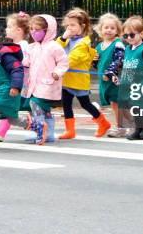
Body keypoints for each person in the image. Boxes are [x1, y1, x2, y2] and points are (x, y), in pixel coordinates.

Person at [57, 8, 111, 139]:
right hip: (67, 79)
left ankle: (103, 123)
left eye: (73, 25)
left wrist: (58, 65)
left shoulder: (84, 43)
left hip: (78, 80)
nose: (70, 28)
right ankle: (70, 130)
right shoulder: (68, 39)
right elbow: (55, 49)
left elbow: (72, 59)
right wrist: (63, 38)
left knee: (85, 104)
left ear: (82, 26)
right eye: (68, 25)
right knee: (66, 104)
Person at [112, 16, 143, 140]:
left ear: (142, 34)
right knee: (132, 106)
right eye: (126, 36)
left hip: (142, 83)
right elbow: (122, 64)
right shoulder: (128, 49)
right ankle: (140, 128)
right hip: (129, 84)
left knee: (138, 106)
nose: (129, 38)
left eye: (132, 35)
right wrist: (116, 75)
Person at [23, 14, 69, 143]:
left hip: (48, 83)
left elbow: (63, 62)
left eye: (37, 30)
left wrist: (57, 72)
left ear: (47, 30)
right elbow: (26, 58)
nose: (33, 32)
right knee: (44, 109)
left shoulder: (54, 47)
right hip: (34, 84)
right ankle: (48, 133)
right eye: (31, 29)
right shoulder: (32, 47)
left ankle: (39, 130)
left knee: (35, 104)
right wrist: (25, 61)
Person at [0, 11, 31, 142]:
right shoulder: (12, 46)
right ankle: (1, 131)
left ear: (19, 30)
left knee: (9, 106)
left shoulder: (23, 46)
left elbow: (22, 63)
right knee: (8, 106)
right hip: (13, 81)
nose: (6, 29)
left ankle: (0, 132)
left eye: (9, 26)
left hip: (20, 82)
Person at [93, 13, 128, 138]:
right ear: (100, 29)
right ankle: (124, 124)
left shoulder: (118, 44)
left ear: (117, 31)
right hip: (105, 80)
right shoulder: (99, 46)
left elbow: (119, 60)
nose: (109, 30)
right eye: (106, 27)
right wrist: (93, 59)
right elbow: (97, 64)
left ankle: (121, 127)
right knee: (114, 104)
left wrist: (109, 72)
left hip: (114, 79)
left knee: (117, 103)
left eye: (112, 28)